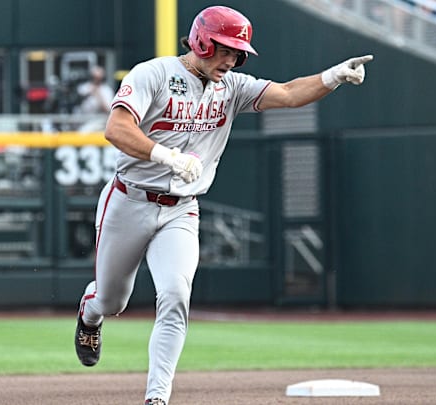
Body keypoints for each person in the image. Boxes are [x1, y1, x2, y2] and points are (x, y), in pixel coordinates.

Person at [72, 5, 372, 405]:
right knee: (112, 300)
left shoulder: (231, 87)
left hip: (181, 209)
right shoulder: (154, 73)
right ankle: (90, 314)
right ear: (201, 40)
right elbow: (116, 128)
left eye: (238, 53)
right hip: (129, 199)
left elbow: (286, 94)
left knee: (176, 296)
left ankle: (156, 398)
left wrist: (332, 77)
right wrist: (167, 156)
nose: (231, 59)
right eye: (224, 49)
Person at [73, 65, 115, 132]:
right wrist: (88, 94)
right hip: (81, 119)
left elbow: (108, 110)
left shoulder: (106, 90)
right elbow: (76, 104)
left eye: (98, 78)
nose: (96, 80)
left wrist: (98, 95)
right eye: (94, 77)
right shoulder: (83, 88)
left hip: (99, 121)